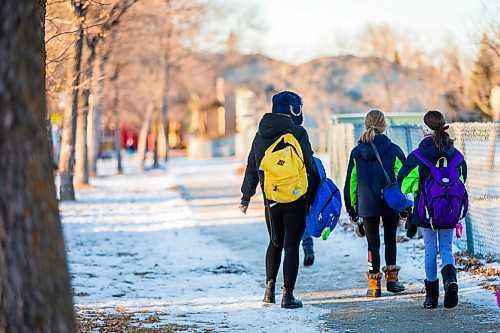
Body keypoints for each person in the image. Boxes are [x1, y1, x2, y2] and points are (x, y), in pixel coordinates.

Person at [239, 91, 319, 309]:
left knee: (275, 242)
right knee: (291, 245)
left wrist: (246, 196)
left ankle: (269, 291)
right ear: (293, 109)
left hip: (270, 198)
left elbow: (252, 167)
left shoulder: (260, 134)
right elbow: (309, 163)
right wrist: (316, 192)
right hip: (295, 197)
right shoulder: (298, 131)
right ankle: (288, 296)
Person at [398, 110, 467, 309]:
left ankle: (431, 298)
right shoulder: (455, 153)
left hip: (426, 210)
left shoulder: (419, 154)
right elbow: (462, 179)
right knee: (446, 248)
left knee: (430, 249)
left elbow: (403, 182)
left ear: (425, 129)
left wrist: (416, 190)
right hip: (450, 209)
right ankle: (450, 281)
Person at [344, 110, 407, 297]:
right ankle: (392, 281)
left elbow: (351, 182)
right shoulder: (394, 149)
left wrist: (352, 208)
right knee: (390, 240)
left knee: (373, 243)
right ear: (384, 125)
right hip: (389, 202)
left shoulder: (357, 152)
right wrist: (405, 206)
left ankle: (374, 285)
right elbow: (403, 177)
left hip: (366, 203)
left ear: (366, 125)